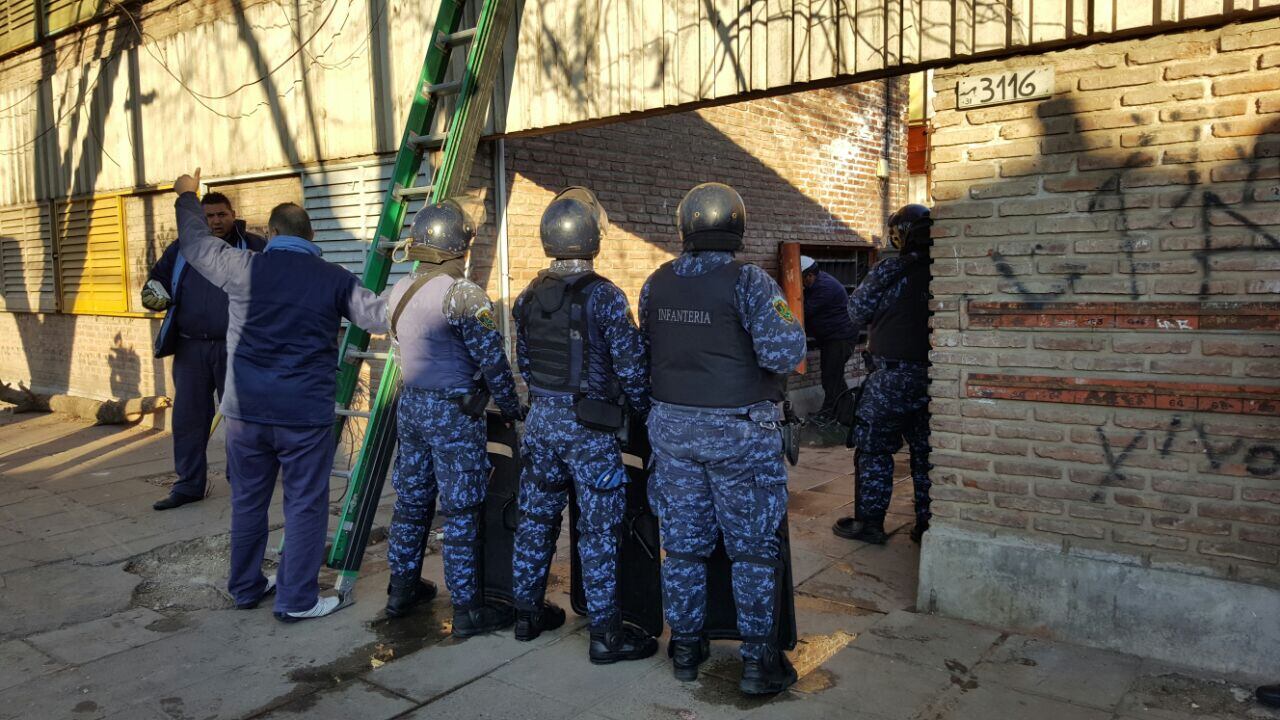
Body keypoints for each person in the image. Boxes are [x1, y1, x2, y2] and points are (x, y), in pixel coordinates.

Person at [171, 169, 388, 621]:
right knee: (304, 506)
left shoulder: (241, 266)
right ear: (311, 237)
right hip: (304, 417)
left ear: (270, 234)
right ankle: (296, 599)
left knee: (247, 502)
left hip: (245, 415)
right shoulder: (334, 278)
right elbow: (379, 317)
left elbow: (193, 243)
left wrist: (188, 196)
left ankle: (247, 587)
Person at [640, 182, 807, 695]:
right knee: (753, 550)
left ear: (685, 227)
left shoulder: (656, 282)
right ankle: (758, 664)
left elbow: (648, 347)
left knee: (685, 549)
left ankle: (686, 648)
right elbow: (784, 354)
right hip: (737, 435)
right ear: (736, 226)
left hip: (672, 433)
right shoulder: (750, 282)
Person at [509, 187, 657, 663]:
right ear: (592, 238)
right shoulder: (606, 297)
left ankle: (527, 614)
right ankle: (606, 635)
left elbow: (525, 364)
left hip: (542, 423)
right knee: (597, 532)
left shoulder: (527, 295)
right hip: (590, 429)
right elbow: (632, 368)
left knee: (535, 521)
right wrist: (642, 413)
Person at [381, 199, 524, 638]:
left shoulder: (399, 289)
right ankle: (466, 608)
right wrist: (513, 406)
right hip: (454, 411)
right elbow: (493, 360)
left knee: (412, 500)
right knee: (461, 509)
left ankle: (401, 589)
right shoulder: (462, 294)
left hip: (411, 406)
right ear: (458, 245)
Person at [143, 192, 266, 510]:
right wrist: (152, 295)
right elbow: (156, 283)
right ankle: (188, 485)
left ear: (232, 214)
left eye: (221, 214)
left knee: (242, 419)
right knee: (188, 420)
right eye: (208, 216)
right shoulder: (182, 248)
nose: (215, 221)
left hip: (237, 347)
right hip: (190, 348)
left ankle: (243, 482)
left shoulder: (254, 246)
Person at [831, 204, 933, 546]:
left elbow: (856, 311)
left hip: (892, 378)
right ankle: (927, 527)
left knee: (873, 449)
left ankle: (871, 524)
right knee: (926, 455)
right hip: (935, 379)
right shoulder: (945, 270)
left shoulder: (890, 269)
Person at [799, 255, 857, 423]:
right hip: (833, 337)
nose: (802, 284)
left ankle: (831, 413)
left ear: (809, 276)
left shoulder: (824, 287)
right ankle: (844, 414)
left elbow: (805, 311)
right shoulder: (818, 283)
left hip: (840, 337)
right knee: (833, 377)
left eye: (802, 279)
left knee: (831, 377)